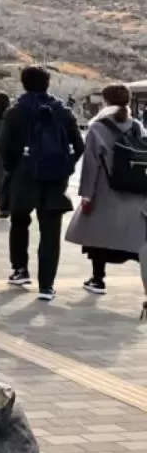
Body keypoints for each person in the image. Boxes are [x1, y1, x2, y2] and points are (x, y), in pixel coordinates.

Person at [0, 65, 85, 301]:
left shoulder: (15, 112)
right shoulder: (63, 112)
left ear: (24, 84)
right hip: (55, 179)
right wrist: (65, 166)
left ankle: (20, 270)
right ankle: (47, 286)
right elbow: (79, 147)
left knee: (19, 223)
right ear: (48, 84)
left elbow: (3, 147)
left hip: (23, 177)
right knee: (50, 232)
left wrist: (14, 168)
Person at [65, 84, 147, 296]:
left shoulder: (98, 127)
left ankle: (98, 280)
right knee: (137, 243)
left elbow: (91, 164)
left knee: (97, 237)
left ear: (106, 101)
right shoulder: (136, 125)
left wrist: (87, 194)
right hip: (135, 191)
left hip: (105, 191)